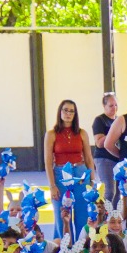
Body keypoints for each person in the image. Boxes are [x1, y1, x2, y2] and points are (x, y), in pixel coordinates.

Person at [45, 99, 94, 243]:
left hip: (80, 174)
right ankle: (65, 249)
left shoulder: (82, 133)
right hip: (60, 175)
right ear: (60, 112)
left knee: (82, 214)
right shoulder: (51, 134)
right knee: (62, 213)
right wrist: (52, 185)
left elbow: (89, 158)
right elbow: (48, 162)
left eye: (71, 111)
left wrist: (92, 180)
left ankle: (82, 248)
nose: (68, 114)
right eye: (65, 110)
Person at [92, 92, 120, 203]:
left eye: (116, 105)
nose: (114, 108)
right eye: (111, 105)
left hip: (117, 158)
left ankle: (115, 215)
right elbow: (99, 142)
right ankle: (104, 214)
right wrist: (113, 131)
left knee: (119, 191)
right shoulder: (99, 120)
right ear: (104, 106)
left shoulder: (119, 120)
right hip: (104, 158)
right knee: (109, 190)